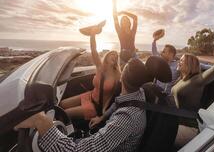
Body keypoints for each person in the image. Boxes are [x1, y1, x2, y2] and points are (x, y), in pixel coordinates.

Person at [15, 58, 149, 152]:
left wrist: (42, 121)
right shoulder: (138, 93)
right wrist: (101, 118)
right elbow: (117, 102)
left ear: (122, 77)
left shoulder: (125, 119)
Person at [152, 30, 214, 96]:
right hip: (155, 92)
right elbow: (154, 52)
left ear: (171, 54)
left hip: (165, 97)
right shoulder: (161, 62)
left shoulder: (180, 65)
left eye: (164, 51)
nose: (161, 53)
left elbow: (210, 68)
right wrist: (154, 40)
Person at [60, 22, 121, 120]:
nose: (114, 56)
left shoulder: (117, 75)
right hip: (90, 96)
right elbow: (93, 49)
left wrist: (104, 111)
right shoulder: (100, 67)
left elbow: (114, 95)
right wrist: (93, 33)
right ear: (106, 57)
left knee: (65, 113)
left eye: (116, 56)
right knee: (62, 104)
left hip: (97, 107)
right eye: (111, 54)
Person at [112, 0, 138, 68]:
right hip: (123, 56)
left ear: (129, 22)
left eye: (126, 20)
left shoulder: (133, 31)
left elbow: (135, 17)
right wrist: (114, 4)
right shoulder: (119, 31)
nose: (125, 21)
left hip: (133, 55)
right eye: (123, 20)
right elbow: (115, 17)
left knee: (137, 73)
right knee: (123, 75)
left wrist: (124, 12)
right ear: (121, 23)